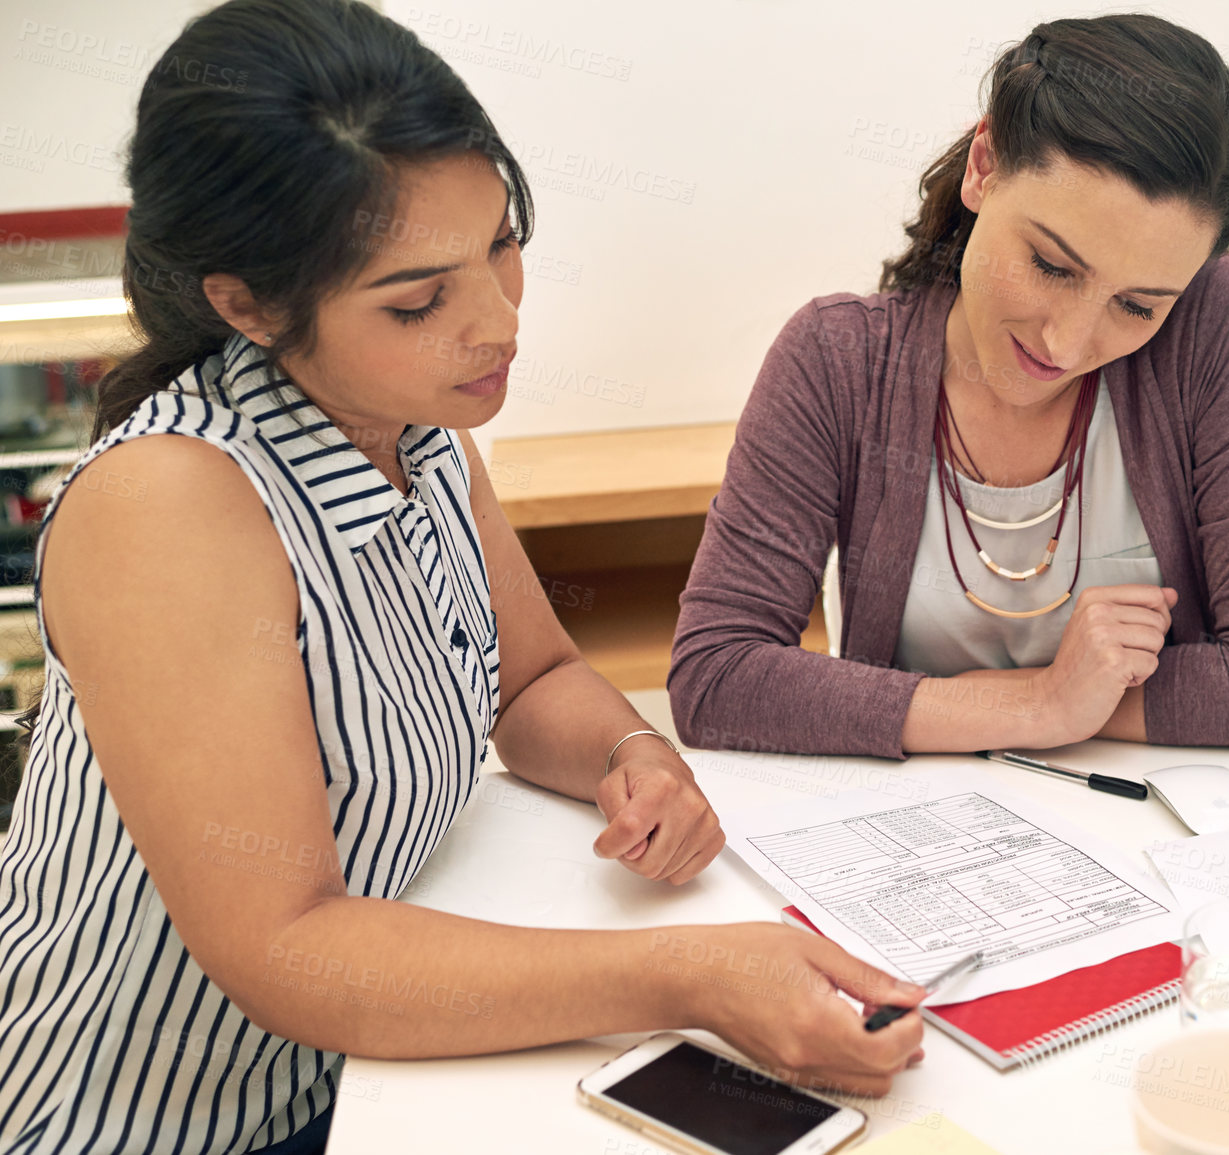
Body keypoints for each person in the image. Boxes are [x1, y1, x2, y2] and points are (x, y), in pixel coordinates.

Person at [0, 3, 923, 1152]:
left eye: (500, 243)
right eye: (417, 301)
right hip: (166, 1120)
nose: (498, 323)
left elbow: (529, 680)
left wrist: (630, 756)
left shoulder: (420, 421)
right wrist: (688, 975)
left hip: (372, 1070)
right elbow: (287, 947)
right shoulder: (171, 506)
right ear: (244, 304)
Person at [670, 14, 1229, 760]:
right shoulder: (836, 360)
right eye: (1052, 265)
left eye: (1136, 306)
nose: (1066, 342)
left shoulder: (1216, 328)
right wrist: (1046, 703)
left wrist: (971, 706)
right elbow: (716, 676)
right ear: (983, 166)